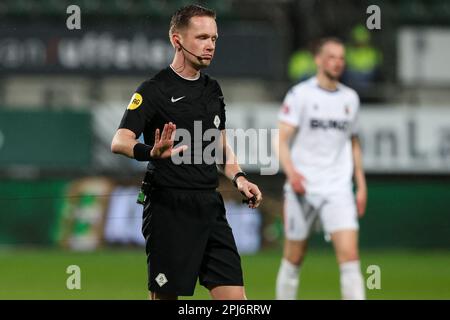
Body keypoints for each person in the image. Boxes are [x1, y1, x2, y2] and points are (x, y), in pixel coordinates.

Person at [111, 5, 262, 300]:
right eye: (202, 37)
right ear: (176, 40)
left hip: (210, 207)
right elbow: (119, 140)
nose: (210, 46)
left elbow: (219, 148)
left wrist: (240, 178)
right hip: (169, 208)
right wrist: (150, 151)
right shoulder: (154, 89)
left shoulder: (213, 90)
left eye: (214, 39)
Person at [275, 37, 367, 300]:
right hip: (303, 186)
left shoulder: (351, 98)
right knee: (294, 257)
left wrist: (360, 184)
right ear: (318, 59)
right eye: (331, 57)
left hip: (338, 187)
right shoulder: (301, 94)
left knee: (350, 258)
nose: (337, 62)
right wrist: (292, 173)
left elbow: (354, 142)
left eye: (341, 58)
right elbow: (280, 139)